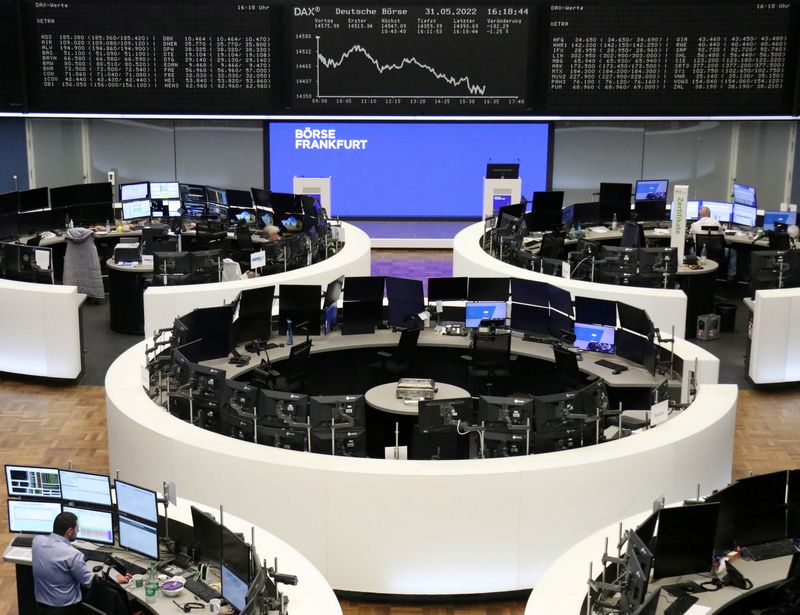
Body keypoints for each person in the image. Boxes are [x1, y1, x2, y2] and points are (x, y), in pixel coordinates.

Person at [32, 512, 131, 615]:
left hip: (41, 608)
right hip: (66, 610)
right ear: (69, 531)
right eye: (76, 528)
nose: (78, 531)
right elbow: (90, 582)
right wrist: (115, 580)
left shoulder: (37, 542)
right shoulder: (73, 555)